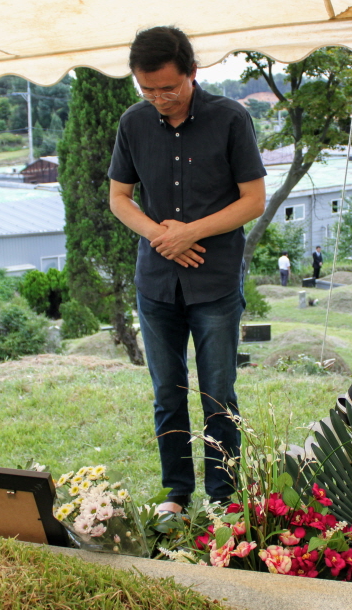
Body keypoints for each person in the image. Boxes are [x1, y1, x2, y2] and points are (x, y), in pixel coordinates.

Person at [107, 26, 267, 514]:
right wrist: (162, 236)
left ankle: (224, 498)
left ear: (192, 73)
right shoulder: (133, 123)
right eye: (148, 90)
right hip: (156, 283)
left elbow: (253, 201)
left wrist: (190, 232)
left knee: (218, 394)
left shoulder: (230, 118)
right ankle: (176, 493)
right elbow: (119, 198)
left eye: (168, 88)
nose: (159, 99)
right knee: (166, 393)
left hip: (215, 282)